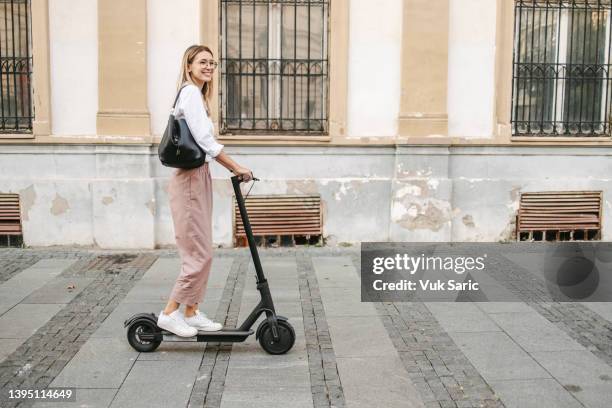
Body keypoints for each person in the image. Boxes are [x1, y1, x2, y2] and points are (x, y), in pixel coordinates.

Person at [157, 44, 253, 337]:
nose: (209, 66)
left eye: (212, 62)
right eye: (202, 62)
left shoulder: (197, 96)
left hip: (198, 176)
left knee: (202, 250)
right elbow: (205, 141)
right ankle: (170, 313)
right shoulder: (189, 93)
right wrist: (235, 166)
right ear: (189, 66)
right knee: (198, 253)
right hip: (189, 180)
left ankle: (191, 311)